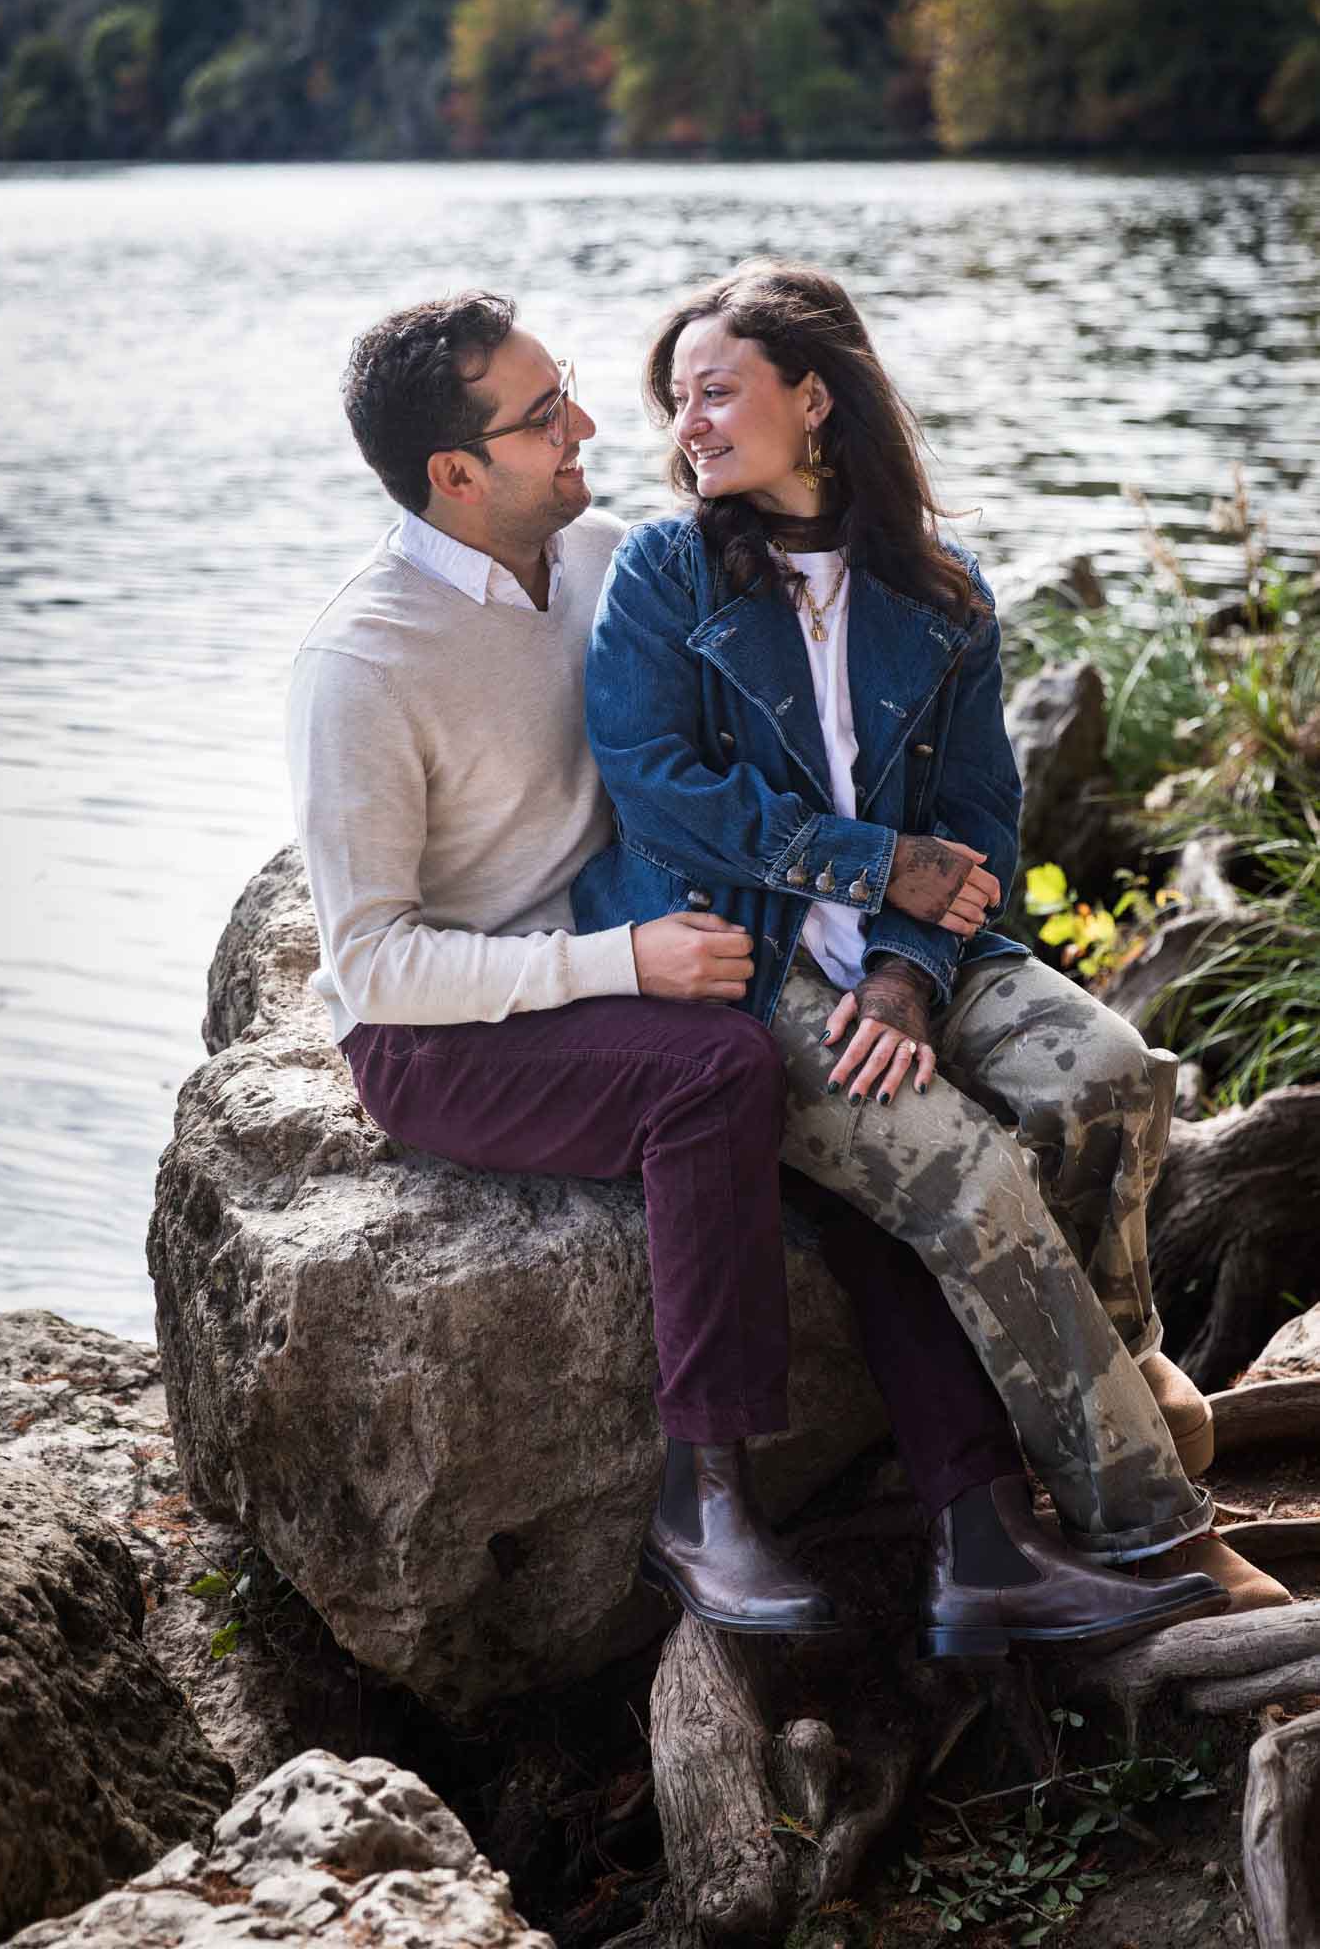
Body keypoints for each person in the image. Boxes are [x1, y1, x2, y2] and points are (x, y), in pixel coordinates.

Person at [286, 289, 1232, 1667]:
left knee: (1017, 1105)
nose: (598, 427)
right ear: (454, 471)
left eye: (580, 394)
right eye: (547, 414)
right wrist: (631, 956)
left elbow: (904, 771)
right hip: (462, 1022)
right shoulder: (360, 665)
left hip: (686, 946)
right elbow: (369, 964)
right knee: (742, 1082)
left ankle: (991, 1525)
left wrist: (901, 961)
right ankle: (719, 1501)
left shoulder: (605, 556)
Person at [575, 259, 1288, 1625]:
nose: (689, 430)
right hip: (749, 954)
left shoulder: (940, 593)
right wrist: (867, 863)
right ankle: (1148, 1530)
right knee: (963, 1178)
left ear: (815, 399)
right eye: (677, 403)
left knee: (1115, 1075)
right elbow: (656, 786)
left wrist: (909, 968)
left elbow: (974, 819)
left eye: (715, 394)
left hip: (905, 951)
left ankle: (1121, 1366)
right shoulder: (667, 572)